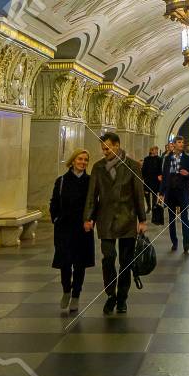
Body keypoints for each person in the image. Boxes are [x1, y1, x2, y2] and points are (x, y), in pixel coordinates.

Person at [84, 132, 147, 314]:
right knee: (108, 258)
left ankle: (122, 298)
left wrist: (142, 220)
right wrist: (88, 217)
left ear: (117, 146)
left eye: (108, 148)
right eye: (103, 148)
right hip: (105, 220)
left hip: (127, 220)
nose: (105, 152)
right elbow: (92, 195)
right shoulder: (98, 168)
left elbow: (138, 195)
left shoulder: (133, 166)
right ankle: (111, 293)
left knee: (126, 262)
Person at [50, 148, 94, 313]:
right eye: (80, 159)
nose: (83, 162)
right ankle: (66, 290)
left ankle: (76, 294)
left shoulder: (90, 181)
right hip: (64, 228)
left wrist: (90, 220)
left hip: (82, 228)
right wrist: (55, 218)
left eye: (85, 160)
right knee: (65, 263)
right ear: (73, 161)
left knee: (80, 264)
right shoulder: (61, 181)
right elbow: (54, 202)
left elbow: (94, 204)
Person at [159, 135, 189, 253]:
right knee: (172, 218)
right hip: (170, 191)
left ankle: (186, 242)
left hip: (182, 190)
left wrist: (187, 174)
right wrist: (161, 192)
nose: (181, 144)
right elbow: (164, 177)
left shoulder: (188, 159)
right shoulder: (167, 158)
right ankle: (174, 241)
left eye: (182, 142)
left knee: (185, 217)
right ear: (173, 144)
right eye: (179, 142)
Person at [141, 145, 163, 223]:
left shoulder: (159, 159)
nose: (156, 151)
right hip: (148, 179)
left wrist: (160, 176)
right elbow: (144, 168)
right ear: (151, 151)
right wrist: (143, 177)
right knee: (146, 193)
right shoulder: (146, 159)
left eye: (157, 150)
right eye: (155, 150)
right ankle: (149, 207)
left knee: (154, 194)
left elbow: (160, 169)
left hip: (156, 179)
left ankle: (153, 206)